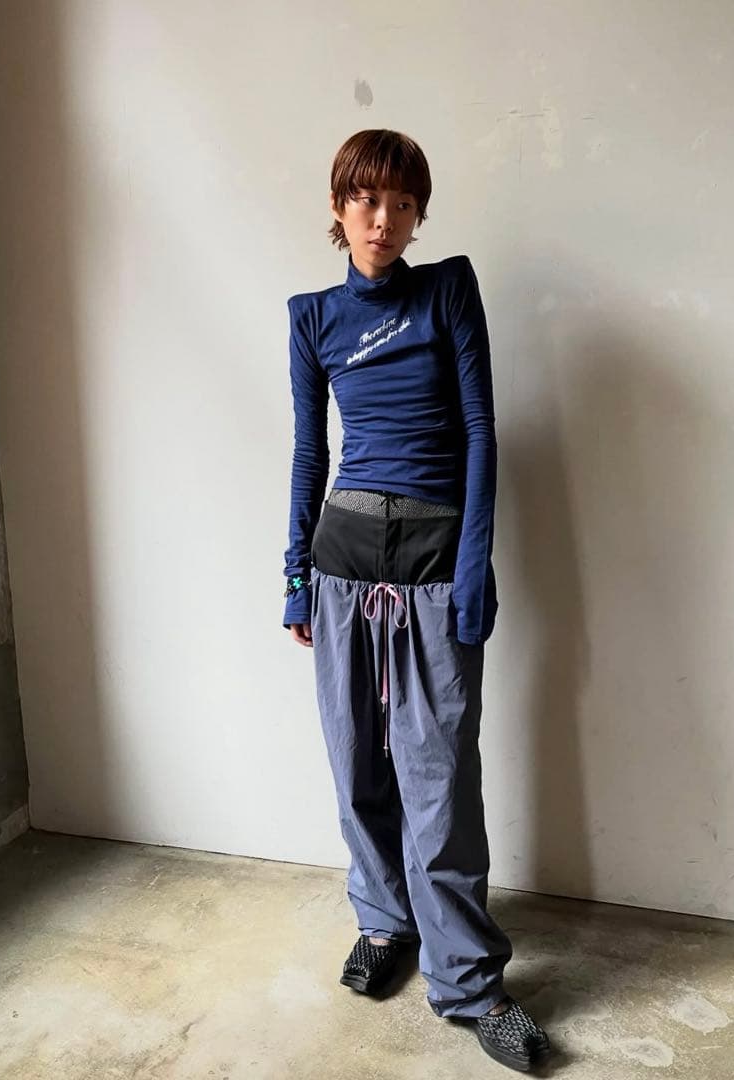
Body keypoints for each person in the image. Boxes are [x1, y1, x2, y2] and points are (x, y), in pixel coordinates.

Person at [282, 128, 551, 1072]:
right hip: (342, 563)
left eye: (402, 203)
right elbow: (310, 453)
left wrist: (474, 567)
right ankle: (385, 922)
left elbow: (480, 430)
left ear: (419, 214)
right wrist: (293, 574)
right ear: (338, 206)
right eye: (366, 199)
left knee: (438, 775)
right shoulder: (312, 317)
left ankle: (470, 983)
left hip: (436, 563)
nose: (383, 219)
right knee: (357, 758)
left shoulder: (447, 290)